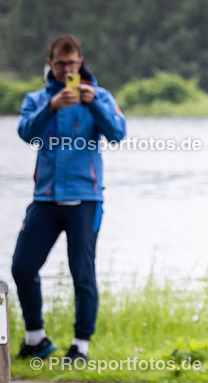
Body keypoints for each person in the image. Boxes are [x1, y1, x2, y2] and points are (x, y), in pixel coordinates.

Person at [14, 34, 126, 362]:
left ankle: (80, 346)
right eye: (60, 63)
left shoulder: (100, 96)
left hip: (85, 199)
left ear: (81, 62)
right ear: (50, 64)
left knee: (83, 273)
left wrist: (95, 105)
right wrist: (50, 108)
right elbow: (26, 133)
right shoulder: (37, 100)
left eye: (72, 63)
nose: (67, 70)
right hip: (45, 199)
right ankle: (36, 338)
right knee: (22, 267)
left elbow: (118, 134)